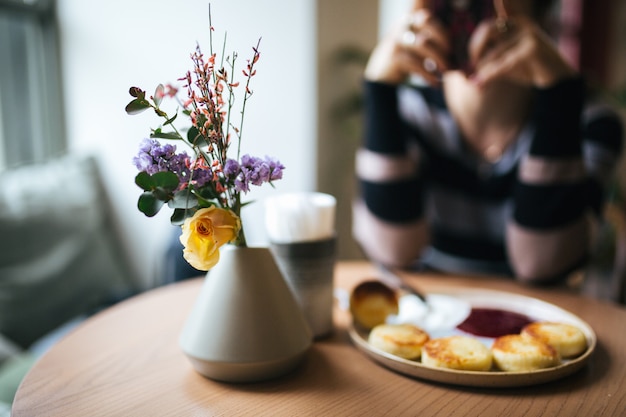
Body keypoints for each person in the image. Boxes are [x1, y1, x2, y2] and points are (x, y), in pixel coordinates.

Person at [353, 0, 624, 283]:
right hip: (435, 316)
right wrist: (379, 90)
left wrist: (559, 91)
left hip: (544, 322)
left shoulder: (589, 124)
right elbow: (393, 251)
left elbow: (542, 263)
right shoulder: (409, 112)